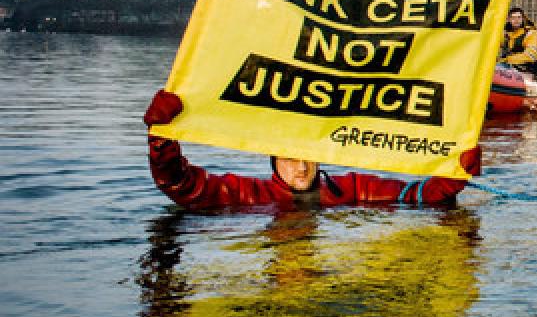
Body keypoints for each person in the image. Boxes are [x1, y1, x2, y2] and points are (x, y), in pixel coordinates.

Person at [144, 89, 478, 209]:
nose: (301, 168)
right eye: (290, 159)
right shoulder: (246, 194)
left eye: (308, 158)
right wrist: (162, 141)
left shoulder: (352, 189)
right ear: (274, 161)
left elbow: (416, 196)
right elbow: (180, 185)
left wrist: (453, 175)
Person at [500, 6, 537, 78]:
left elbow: (530, 56)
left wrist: (507, 60)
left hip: (528, 67)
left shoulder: (532, 34)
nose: (516, 20)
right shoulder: (505, 35)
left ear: (523, 19)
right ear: (508, 19)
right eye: (513, 17)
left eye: (519, 17)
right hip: (508, 68)